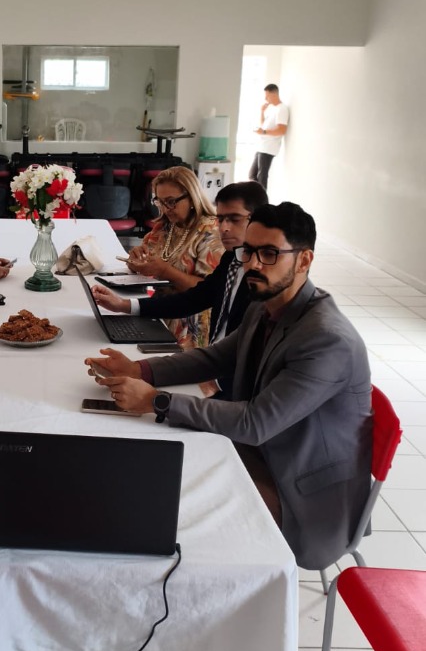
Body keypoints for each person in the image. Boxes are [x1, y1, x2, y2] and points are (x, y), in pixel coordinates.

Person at [87, 202, 372, 571]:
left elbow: (255, 423)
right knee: (151, 469)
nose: (253, 264)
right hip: (265, 453)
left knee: (177, 512)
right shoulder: (265, 304)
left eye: (269, 254)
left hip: (305, 496)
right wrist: (139, 369)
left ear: (304, 260)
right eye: (248, 251)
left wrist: (156, 401)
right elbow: (214, 358)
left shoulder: (327, 340)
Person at [92, 181, 267, 396]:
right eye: (221, 219)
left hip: (233, 389)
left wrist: (212, 386)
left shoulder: (265, 278)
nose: (224, 228)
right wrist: (126, 305)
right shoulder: (232, 258)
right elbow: (195, 299)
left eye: (234, 219)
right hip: (212, 371)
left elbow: (251, 358)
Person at [124, 165, 224, 350]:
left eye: (171, 202)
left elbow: (208, 292)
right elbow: (145, 258)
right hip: (161, 312)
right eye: (159, 202)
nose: (165, 209)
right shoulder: (165, 226)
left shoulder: (210, 232)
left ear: (192, 197)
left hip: (192, 325)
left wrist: (165, 271)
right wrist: (135, 260)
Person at [249, 83, 289, 189]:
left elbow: (282, 130)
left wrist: (263, 132)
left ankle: (261, 199)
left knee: (261, 177)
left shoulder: (282, 109)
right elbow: (264, 124)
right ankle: (255, 197)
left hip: (269, 148)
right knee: (252, 175)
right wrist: (262, 112)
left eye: (267, 96)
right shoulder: (272, 108)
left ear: (274, 94)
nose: (265, 99)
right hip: (262, 146)